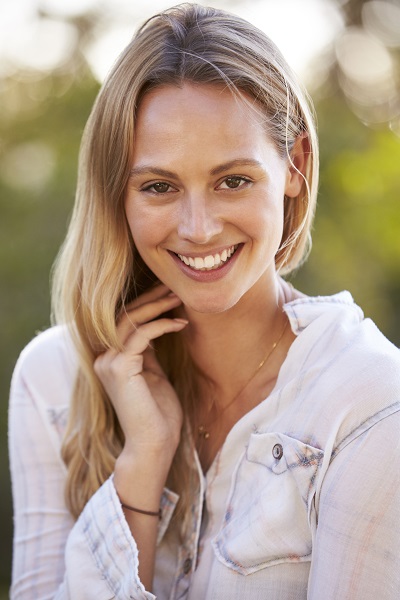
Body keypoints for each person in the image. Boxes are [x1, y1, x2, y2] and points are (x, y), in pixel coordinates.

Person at [8, 3, 400, 599]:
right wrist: (141, 465)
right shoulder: (54, 381)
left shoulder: (369, 402)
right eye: (159, 186)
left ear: (294, 166)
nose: (198, 228)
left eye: (233, 181)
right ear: (118, 193)